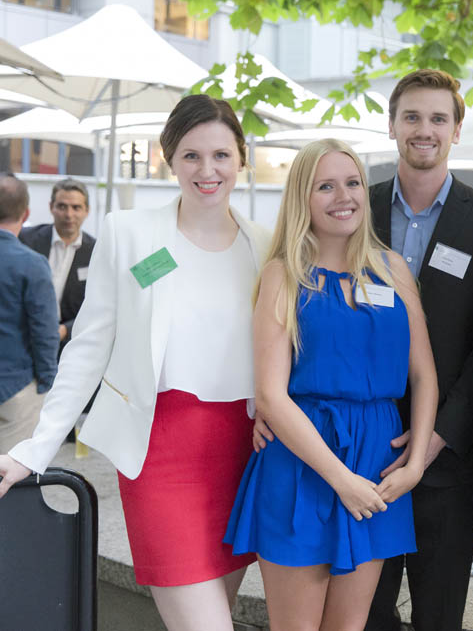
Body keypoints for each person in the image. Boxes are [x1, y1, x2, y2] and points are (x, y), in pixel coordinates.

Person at [0, 95, 271, 631]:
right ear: (170, 160)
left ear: (241, 157)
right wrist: (35, 448)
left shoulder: (265, 245)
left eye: (221, 155)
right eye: (191, 155)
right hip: (159, 451)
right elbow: (88, 347)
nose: (207, 170)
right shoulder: (130, 233)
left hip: (244, 456)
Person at [224, 138, 438, 630]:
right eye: (325, 186)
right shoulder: (283, 275)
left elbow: (424, 374)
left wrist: (415, 465)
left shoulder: (392, 269)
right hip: (303, 461)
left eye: (352, 183)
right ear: (303, 198)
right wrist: (342, 480)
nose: (344, 197)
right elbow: (271, 394)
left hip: (376, 462)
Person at [363, 69, 473, 631]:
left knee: (439, 613)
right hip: (364, 447)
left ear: (456, 130)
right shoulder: (355, 207)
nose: (423, 130)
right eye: (411, 117)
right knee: (367, 612)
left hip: (448, 458)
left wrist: (437, 435)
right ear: (391, 125)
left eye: (437, 119)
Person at [0, 173, 59, 454]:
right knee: (9, 472)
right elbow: (45, 331)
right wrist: (47, 382)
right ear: (26, 214)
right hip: (16, 387)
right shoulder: (32, 264)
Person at [20, 178, 96, 356]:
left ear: (87, 210)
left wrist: (65, 330)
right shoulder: (26, 240)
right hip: (25, 337)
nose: (69, 214)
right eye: (62, 206)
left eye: (76, 207)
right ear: (51, 207)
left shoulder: (96, 252)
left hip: (70, 345)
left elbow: (96, 304)